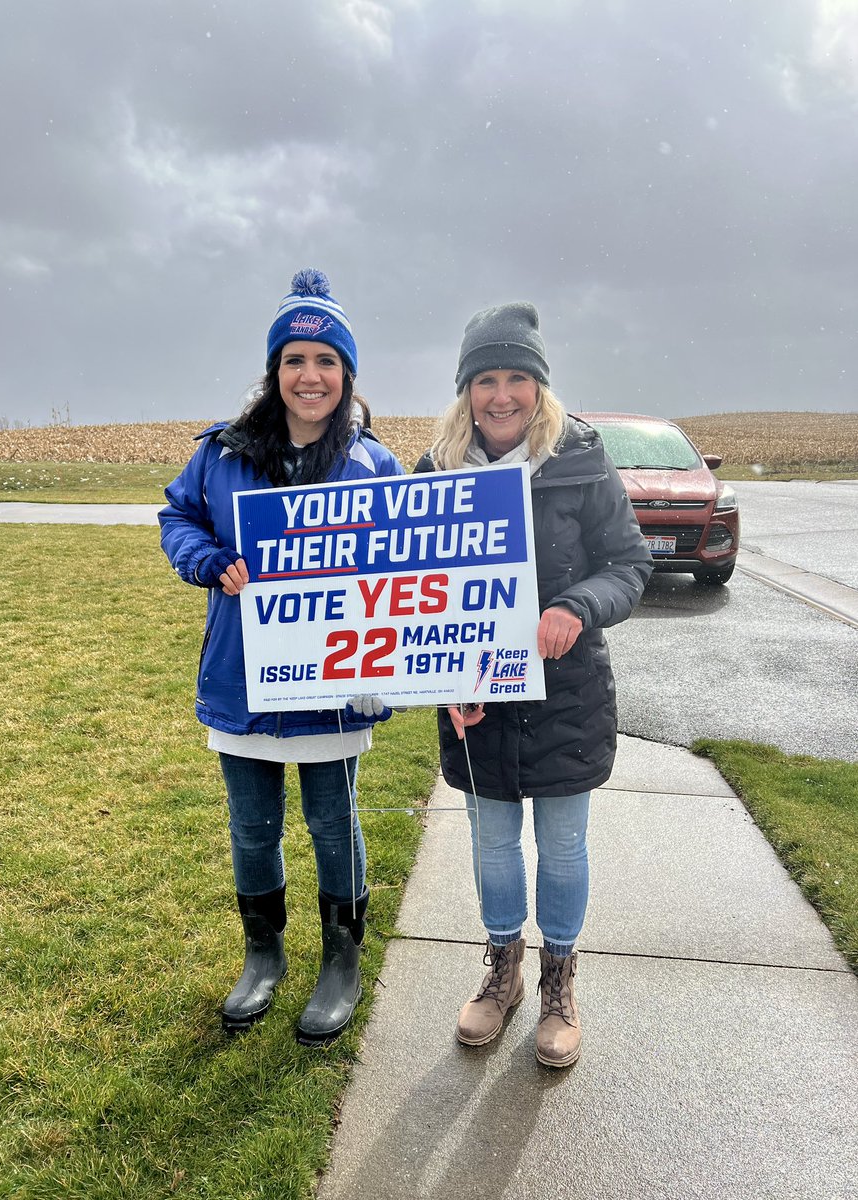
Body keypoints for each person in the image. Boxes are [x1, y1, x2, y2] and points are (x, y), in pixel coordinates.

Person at [159, 269, 403, 1044]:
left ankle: (342, 961)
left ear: (347, 375)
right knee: (252, 827)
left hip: (334, 680)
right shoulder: (222, 456)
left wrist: (385, 662)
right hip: (242, 676)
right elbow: (178, 518)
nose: (310, 376)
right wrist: (207, 560)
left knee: (335, 824)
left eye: (327, 361)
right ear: (275, 371)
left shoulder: (373, 464)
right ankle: (262, 955)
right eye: (295, 359)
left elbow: (405, 571)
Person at [415, 301, 652, 1067]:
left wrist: (577, 607)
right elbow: (417, 589)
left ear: (540, 386)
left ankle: (558, 981)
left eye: (518, 377)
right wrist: (444, 675)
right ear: (467, 390)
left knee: (562, 846)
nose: (502, 395)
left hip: (567, 697)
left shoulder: (581, 462)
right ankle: (503, 973)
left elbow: (630, 565)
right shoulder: (436, 473)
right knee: (491, 846)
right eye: (487, 379)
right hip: (474, 701)